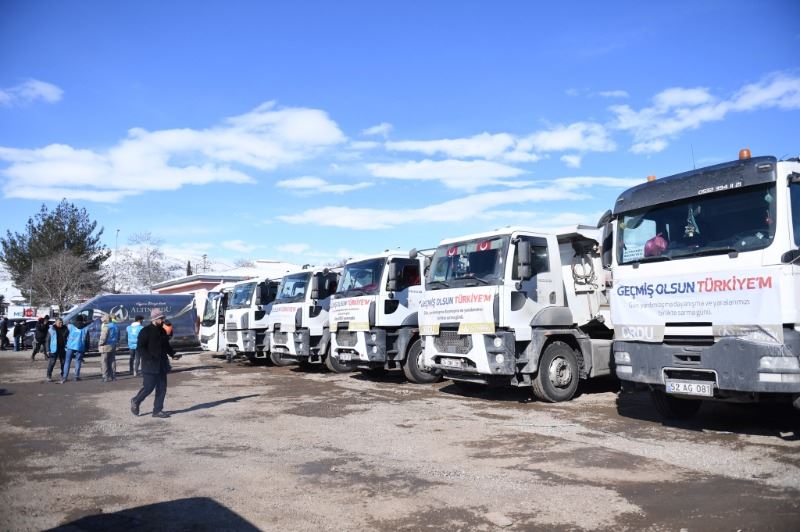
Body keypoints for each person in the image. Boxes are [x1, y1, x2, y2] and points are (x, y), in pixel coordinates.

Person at [130, 309, 180, 418]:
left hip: (162, 365)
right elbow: (140, 348)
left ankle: (157, 411)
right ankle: (136, 401)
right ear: (155, 319)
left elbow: (166, 346)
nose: (163, 320)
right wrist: (148, 358)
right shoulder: (145, 331)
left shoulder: (162, 331)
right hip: (149, 365)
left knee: (162, 388)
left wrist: (173, 354)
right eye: (161, 318)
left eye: (163, 318)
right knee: (148, 387)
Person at [62, 315, 90, 383]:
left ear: (76, 320)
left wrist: (65, 343)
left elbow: (64, 335)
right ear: (82, 320)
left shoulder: (70, 326)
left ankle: (65, 377)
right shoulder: (86, 328)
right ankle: (76, 376)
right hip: (80, 346)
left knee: (67, 361)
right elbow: (87, 339)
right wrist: (87, 348)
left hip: (70, 346)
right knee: (78, 361)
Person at [98, 314, 120, 382]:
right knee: (112, 360)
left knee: (104, 361)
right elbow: (118, 337)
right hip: (113, 345)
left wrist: (100, 344)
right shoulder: (116, 326)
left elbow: (103, 337)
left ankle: (105, 377)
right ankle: (113, 376)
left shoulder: (106, 326)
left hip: (106, 346)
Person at [46, 318, 69, 382]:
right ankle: (48, 376)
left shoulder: (65, 328)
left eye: (62, 322)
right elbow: (47, 340)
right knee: (52, 362)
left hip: (63, 348)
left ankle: (63, 376)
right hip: (54, 349)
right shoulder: (51, 329)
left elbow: (68, 337)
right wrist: (47, 350)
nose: (61, 323)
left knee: (63, 363)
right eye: (59, 322)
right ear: (56, 322)